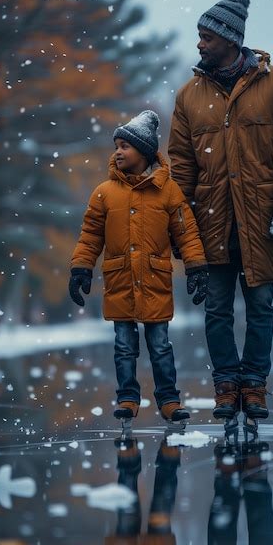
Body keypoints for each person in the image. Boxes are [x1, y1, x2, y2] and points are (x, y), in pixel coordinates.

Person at [168, 0, 273, 431]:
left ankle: (255, 385)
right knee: (217, 309)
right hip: (212, 219)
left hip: (262, 217)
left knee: (262, 304)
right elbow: (182, 167)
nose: (200, 43)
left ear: (231, 38)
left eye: (207, 36)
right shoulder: (189, 96)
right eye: (199, 35)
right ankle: (226, 385)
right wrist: (179, 225)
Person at [69, 110, 209, 426]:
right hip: (119, 280)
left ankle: (169, 399)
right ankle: (128, 398)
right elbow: (90, 235)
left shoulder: (168, 191)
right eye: (116, 145)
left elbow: (186, 233)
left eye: (125, 146)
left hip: (155, 279)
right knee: (123, 346)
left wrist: (196, 267)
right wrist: (81, 268)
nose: (118, 151)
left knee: (160, 346)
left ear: (144, 152)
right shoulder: (104, 193)